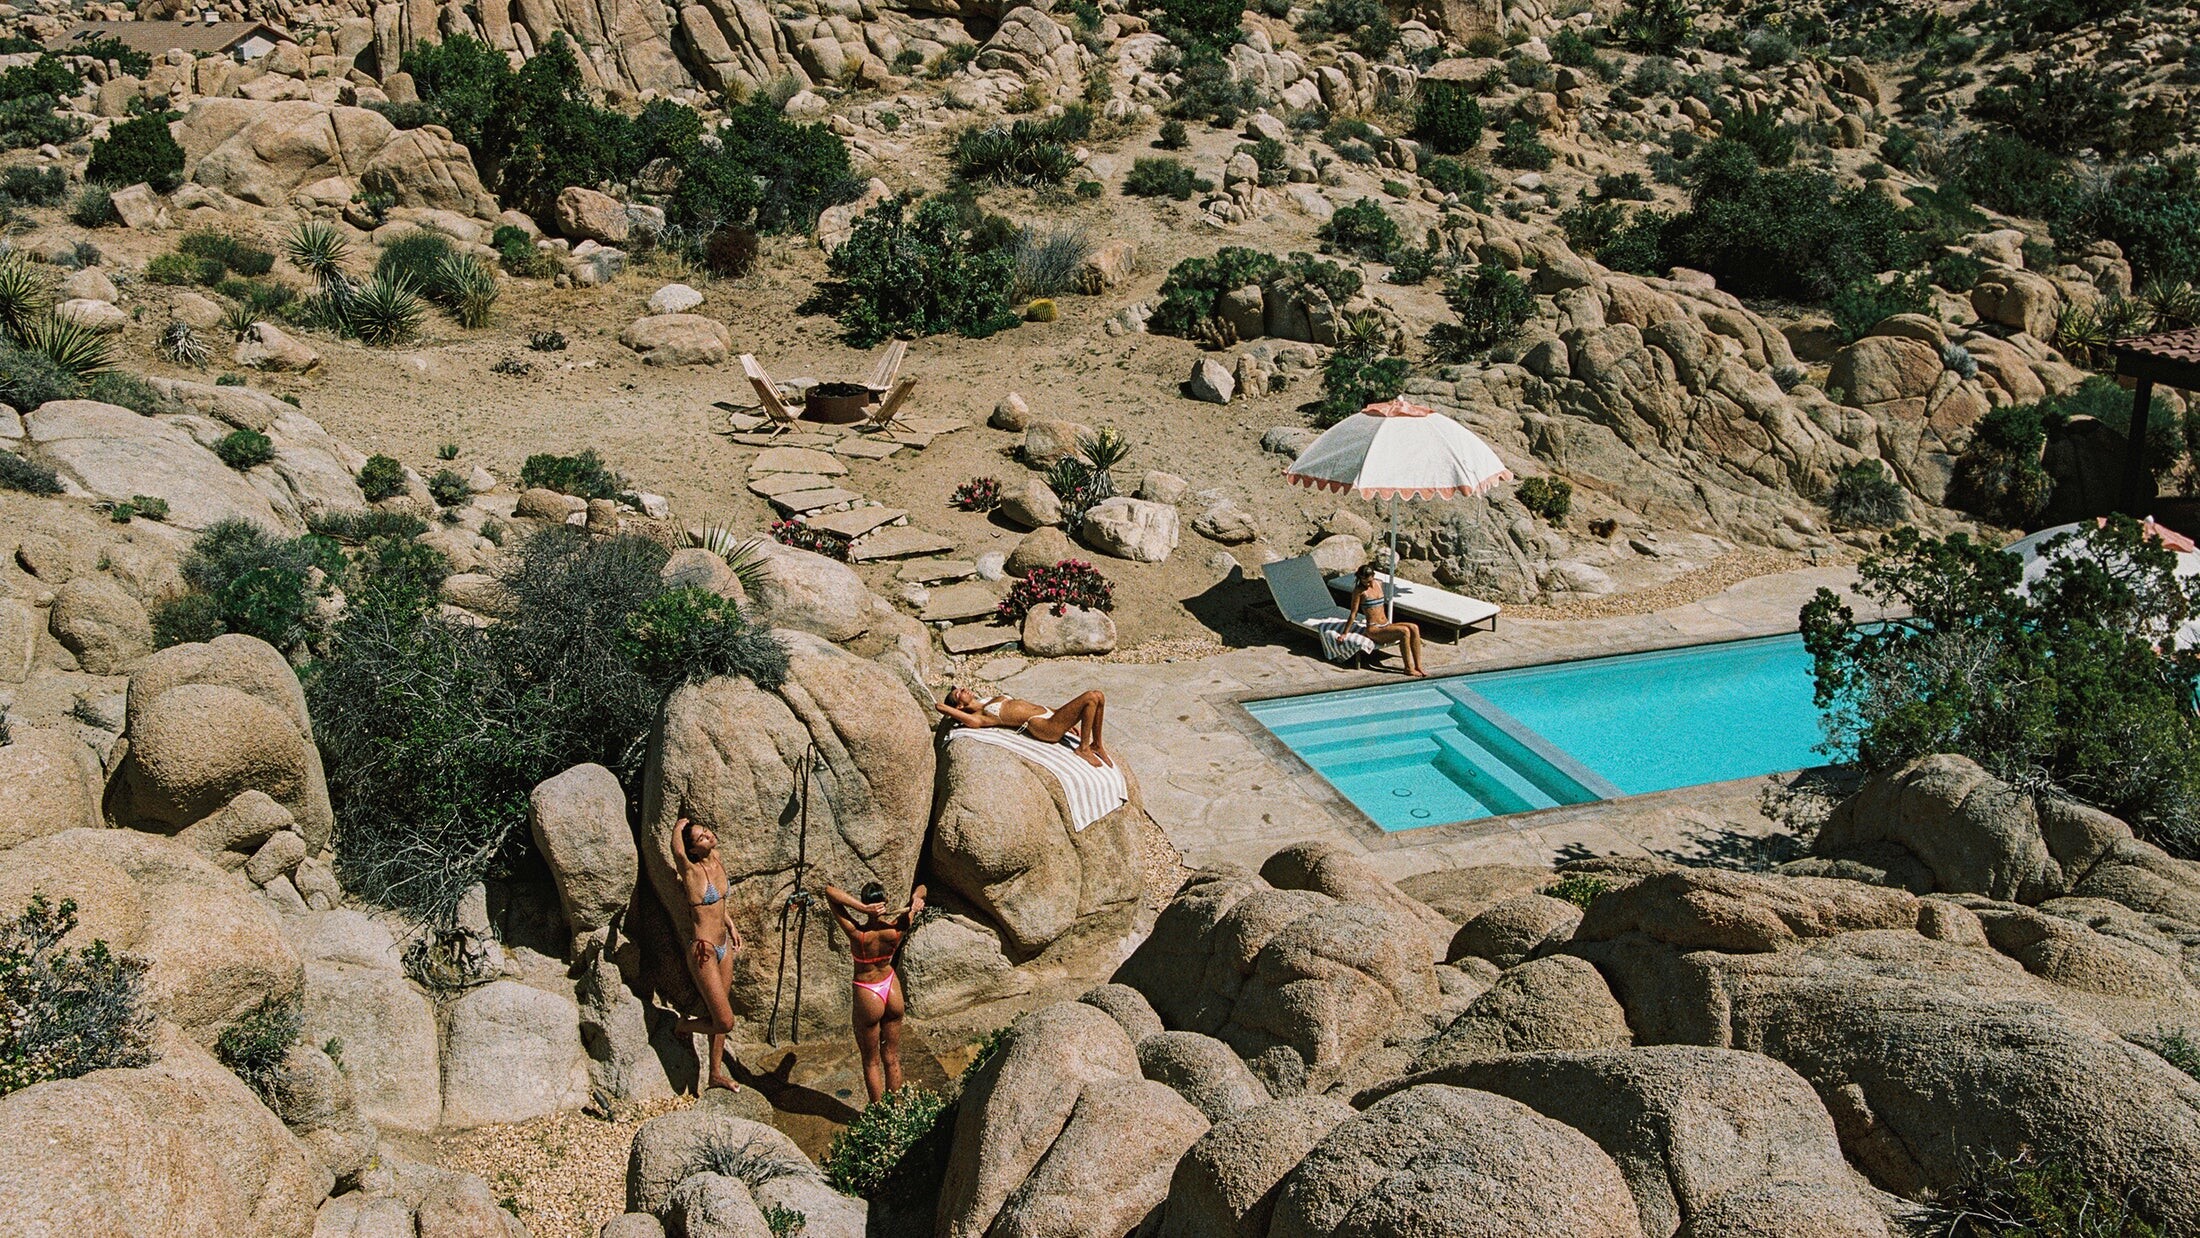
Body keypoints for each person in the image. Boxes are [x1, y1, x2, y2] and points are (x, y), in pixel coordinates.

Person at [824, 879, 925, 1105]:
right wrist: (916, 900)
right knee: (892, 1057)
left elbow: (829, 892)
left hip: (868, 992)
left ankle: (879, 1114)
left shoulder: (857, 934)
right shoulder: (898, 927)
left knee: (871, 1062)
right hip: (891, 988)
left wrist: (861, 909)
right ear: (885, 901)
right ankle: (894, 1113)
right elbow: (922, 888)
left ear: (866, 903)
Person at [669, 817, 742, 1091]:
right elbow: (677, 851)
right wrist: (679, 828)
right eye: (701, 838)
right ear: (693, 849)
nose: (708, 836)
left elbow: (718, 903)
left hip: (724, 945)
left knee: (720, 1013)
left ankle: (715, 1074)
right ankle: (683, 1026)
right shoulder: (691, 870)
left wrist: (731, 925)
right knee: (725, 1021)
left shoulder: (718, 859)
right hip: (704, 950)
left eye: (707, 832)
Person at [936, 687, 1114, 767]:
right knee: (1091, 697)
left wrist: (1060, 715)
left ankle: (1097, 744)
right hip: (1043, 727)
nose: (963, 689)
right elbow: (945, 709)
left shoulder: (987, 701)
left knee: (1099, 696)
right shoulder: (979, 717)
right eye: (958, 693)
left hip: (1049, 714)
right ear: (959, 707)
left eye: (960, 688)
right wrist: (945, 708)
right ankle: (1083, 748)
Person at [1347, 562, 1427, 677]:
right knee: (1404, 631)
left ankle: (1418, 666)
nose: (1367, 584)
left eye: (1369, 581)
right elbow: (1353, 614)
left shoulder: (1379, 583)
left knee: (1414, 627)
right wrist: (1344, 633)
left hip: (1386, 625)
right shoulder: (1358, 591)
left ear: (1373, 576)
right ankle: (1408, 668)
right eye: (1364, 581)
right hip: (1374, 630)